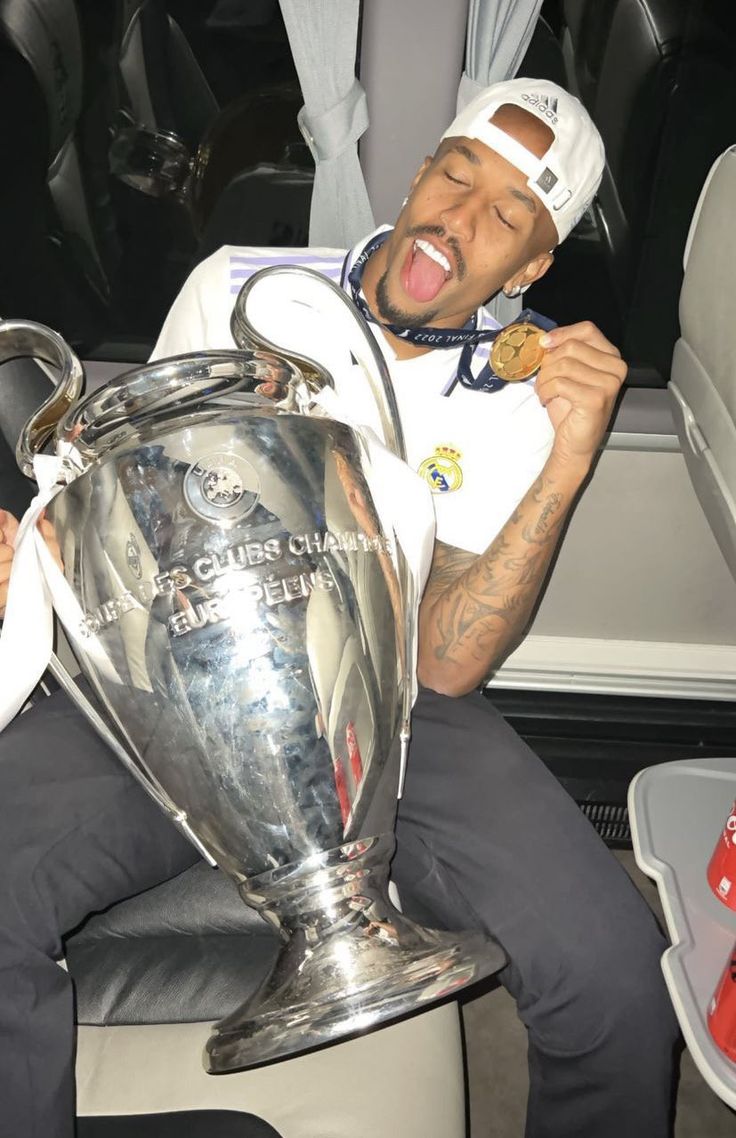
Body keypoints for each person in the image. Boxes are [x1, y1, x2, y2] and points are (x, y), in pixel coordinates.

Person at [0, 79, 679, 1138]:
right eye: (456, 176)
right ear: (417, 175)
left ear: (532, 265)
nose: (460, 217)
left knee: (612, 970)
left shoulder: (525, 395)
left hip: (389, 703)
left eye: (506, 214)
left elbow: (447, 666)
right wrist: (38, 556)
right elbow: (136, 513)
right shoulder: (245, 287)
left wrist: (567, 462)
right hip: (178, 672)